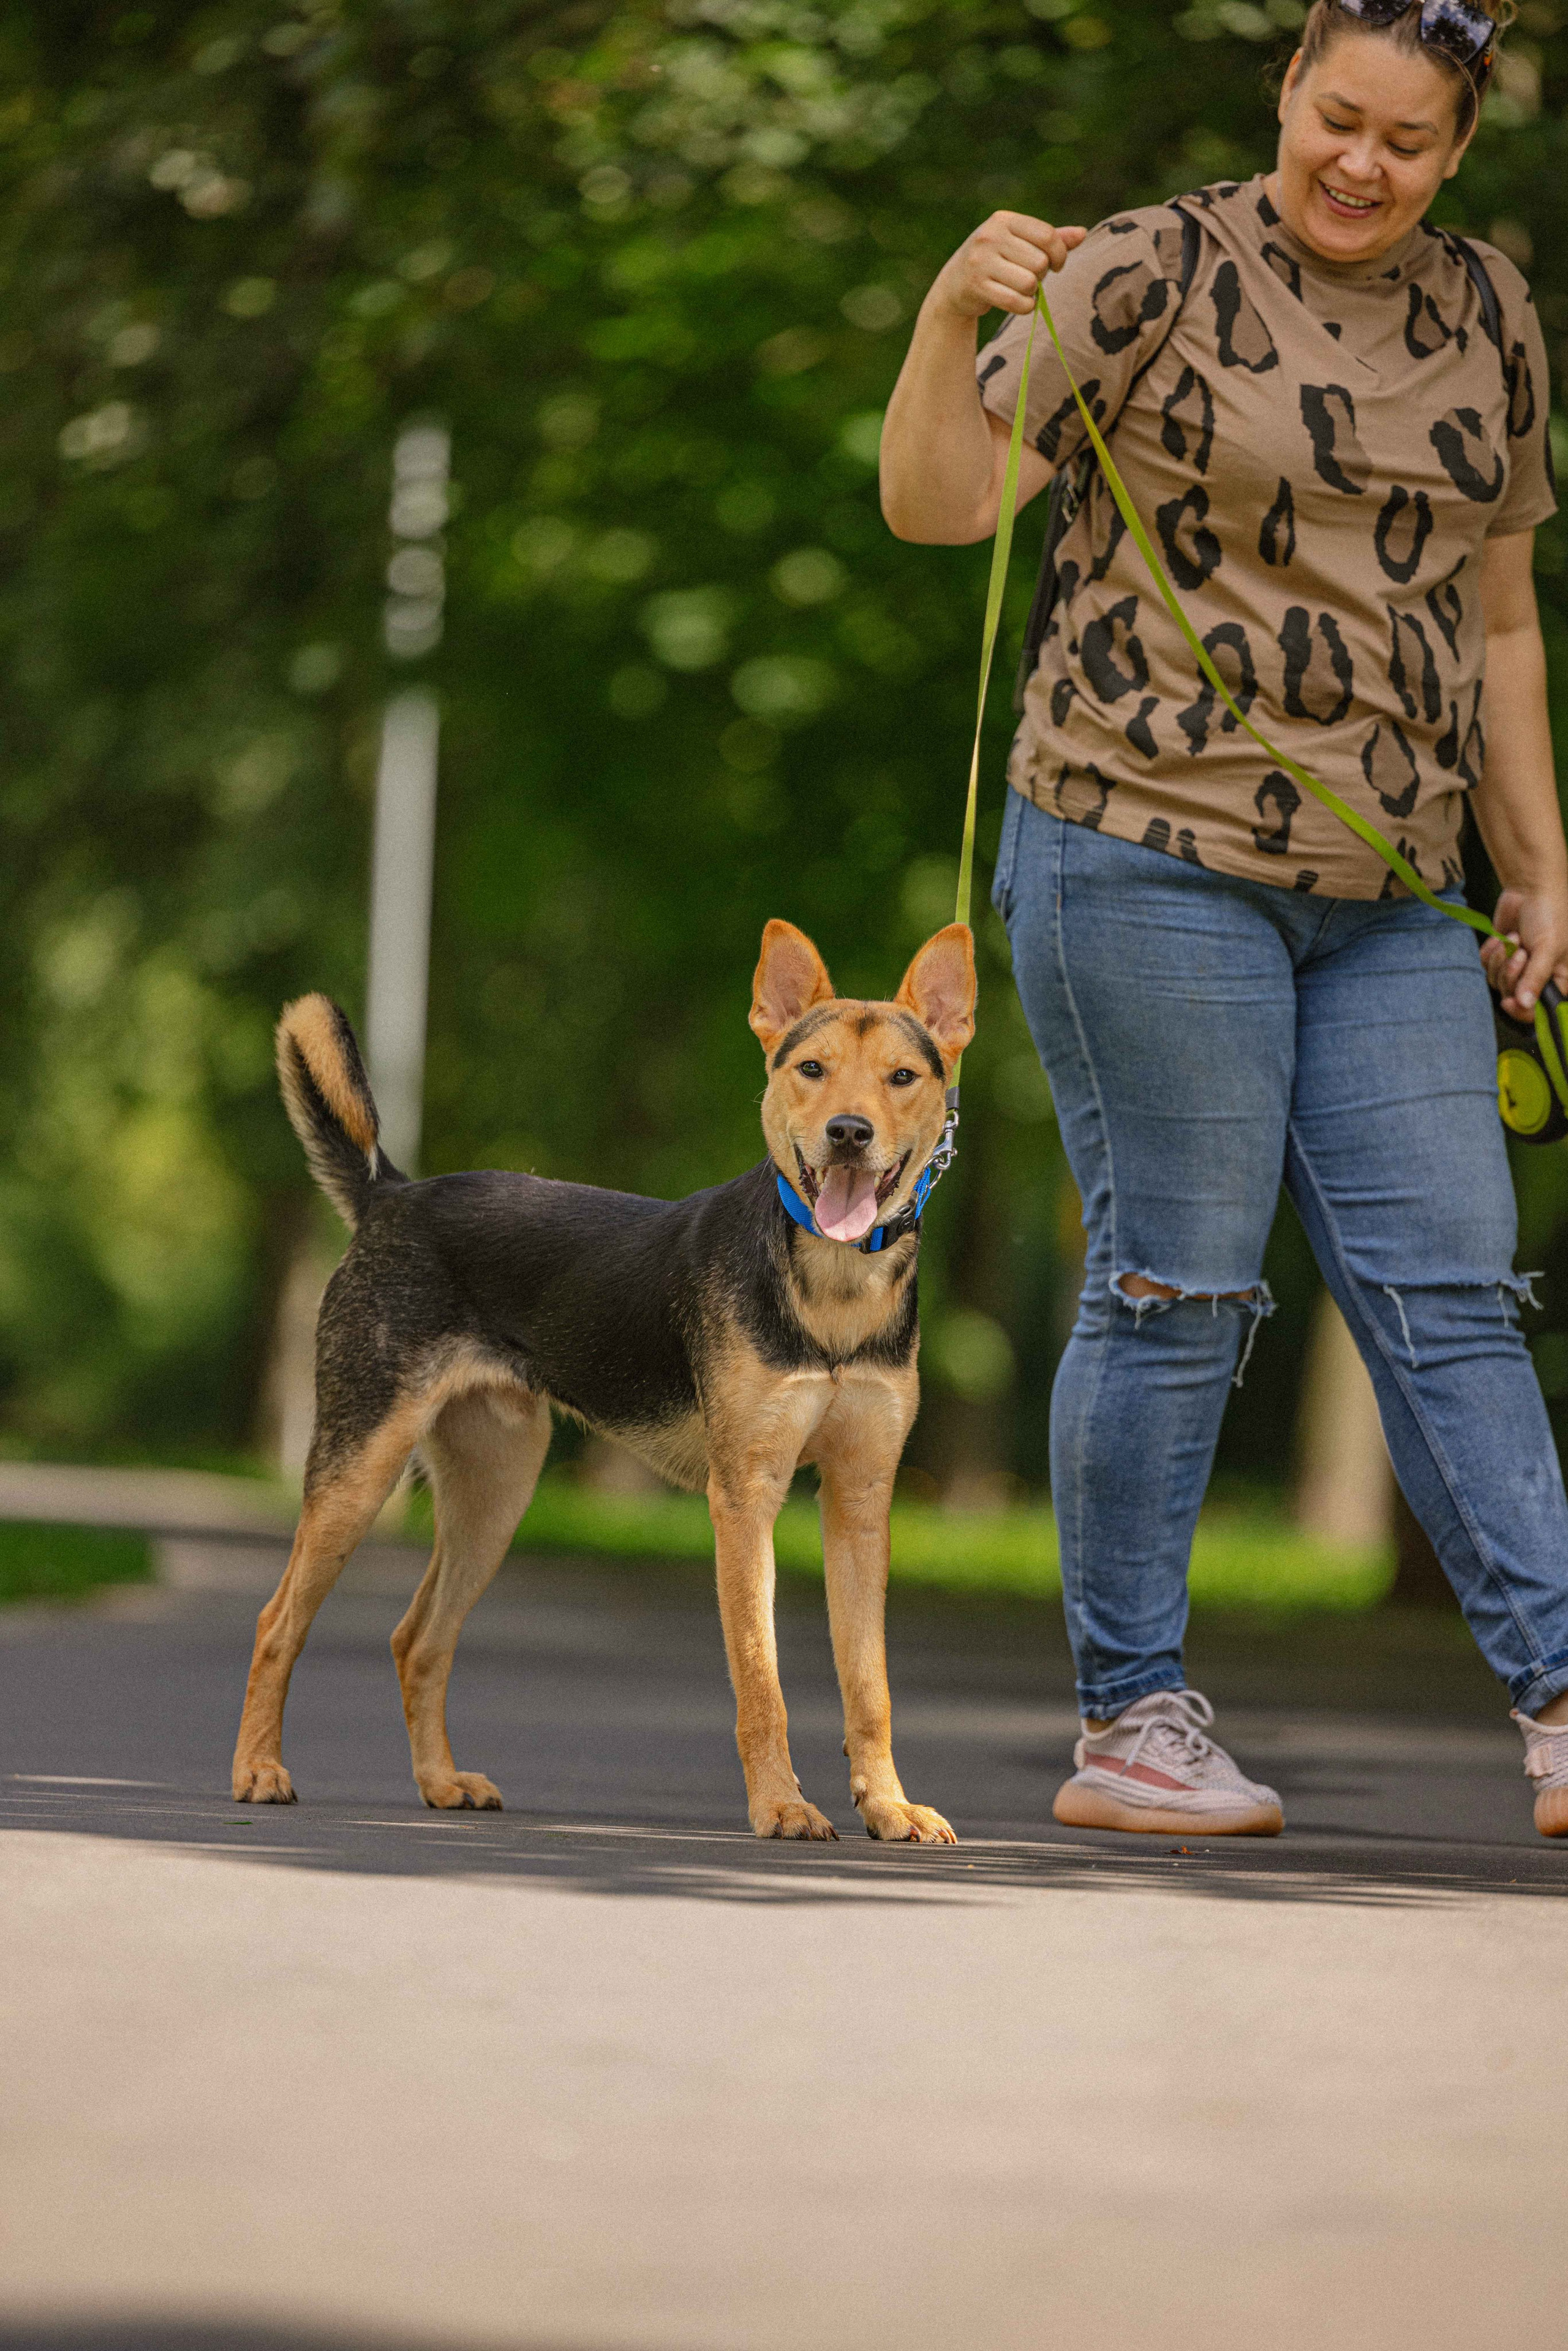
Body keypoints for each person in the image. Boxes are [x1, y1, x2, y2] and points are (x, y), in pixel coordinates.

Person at [880, 0, 1568, 1840]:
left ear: (1460, 148)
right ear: (1287, 92)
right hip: (1142, 851)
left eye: (1408, 141)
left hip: (1400, 895)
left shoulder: (1494, 313)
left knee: (1453, 1283)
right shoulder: (1149, 271)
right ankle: (1131, 1723)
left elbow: (1498, 624)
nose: (1363, 164)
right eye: (1337, 118)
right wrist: (952, 317)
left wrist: (1541, 864)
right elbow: (942, 507)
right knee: (1177, 1277)